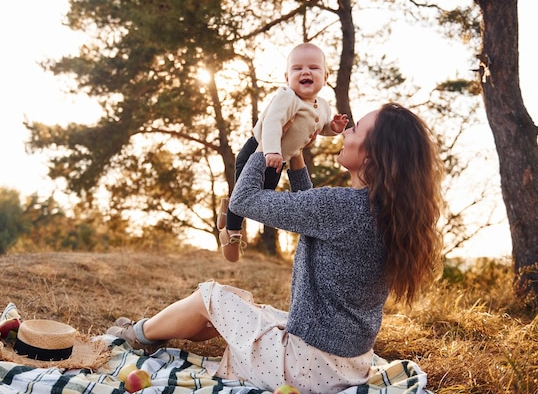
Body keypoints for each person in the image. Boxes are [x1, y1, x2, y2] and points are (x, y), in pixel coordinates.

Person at [107, 103, 444, 394]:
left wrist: (269, 143)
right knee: (243, 303)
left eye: (356, 128)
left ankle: (136, 336)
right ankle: (160, 335)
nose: (347, 131)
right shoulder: (385, 214)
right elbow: (311, 210)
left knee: (209, 296)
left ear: (373, 153)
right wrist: (294, 155)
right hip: (348, 367)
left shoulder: (341, 207)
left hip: (302, 370)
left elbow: (244, 200)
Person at [217, 42, 349, 262]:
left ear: (325, 77)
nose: (305, 71)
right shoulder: (287, 97)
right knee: (247, 195)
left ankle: (228, 208)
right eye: (297, 68)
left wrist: (333, 129)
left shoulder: (324, 106)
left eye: (314, 68)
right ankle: (231, 234)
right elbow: (272, 124)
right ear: (287, 77)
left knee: (262, 196)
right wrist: (270, 151)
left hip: (280, 160)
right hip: (258, 152)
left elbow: (321, 128)